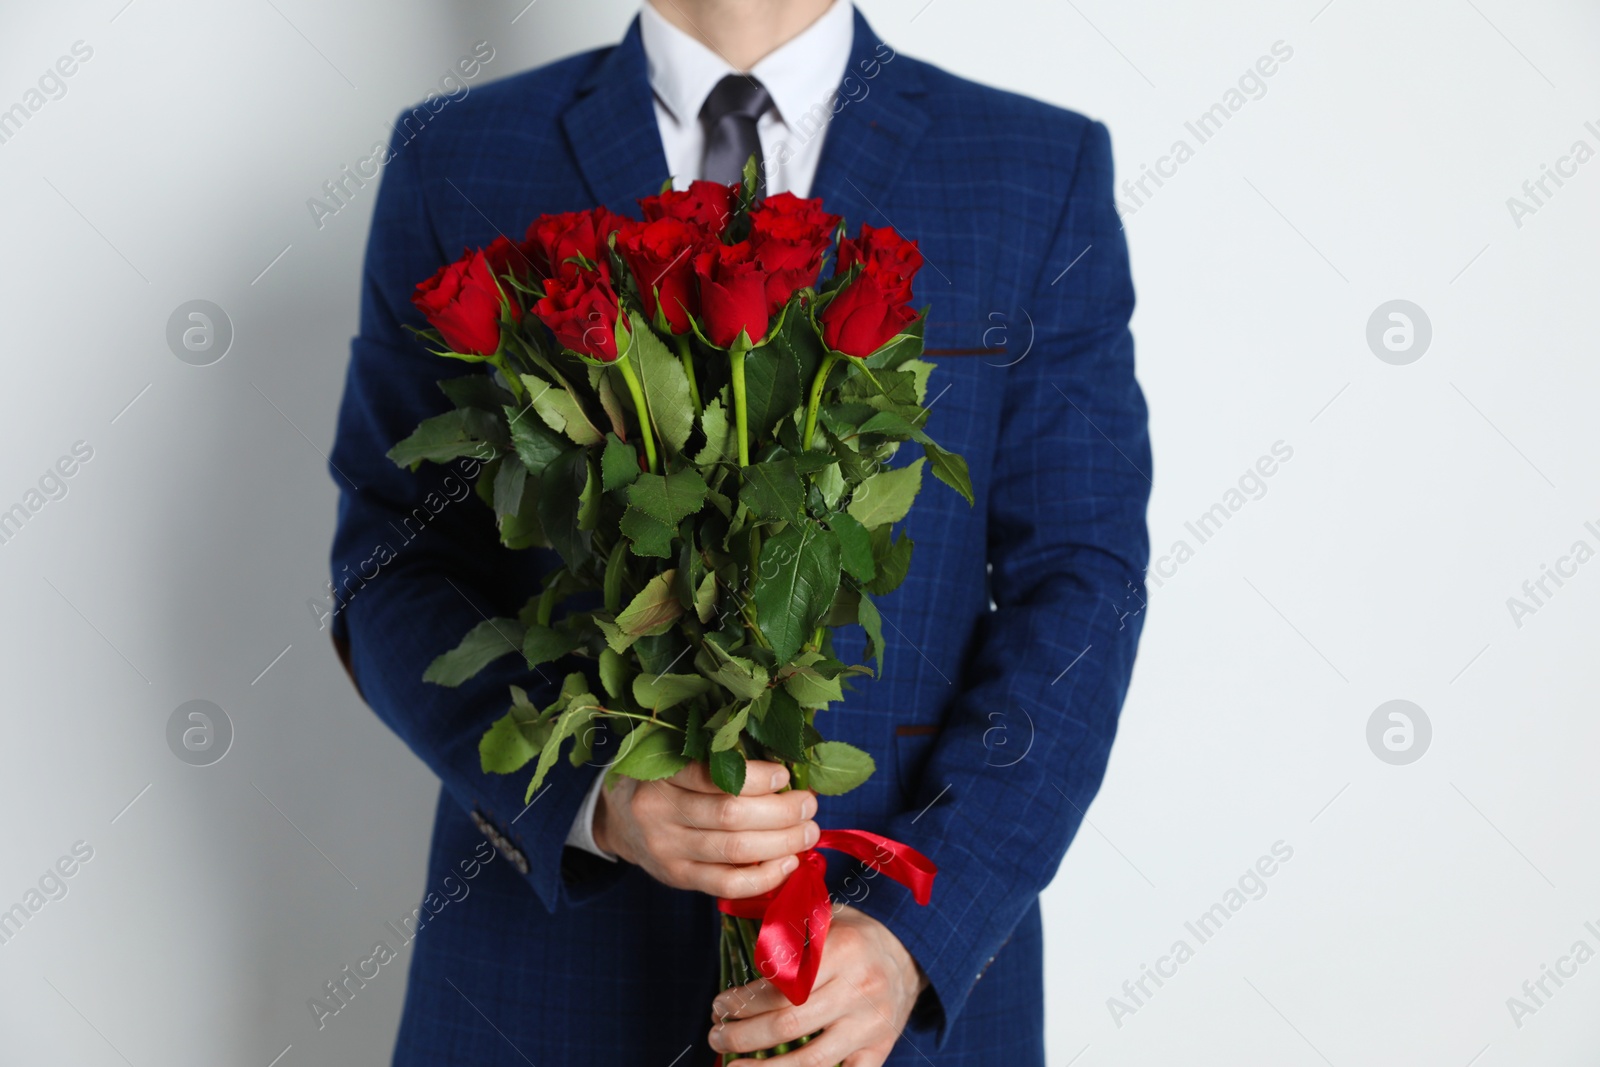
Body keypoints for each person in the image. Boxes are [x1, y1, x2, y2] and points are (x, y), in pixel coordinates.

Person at [327, 1, 1150, 1063]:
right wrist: (597, 800)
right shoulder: (457, 154)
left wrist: (913, 937)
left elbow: (1080, 583)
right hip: (542, 987)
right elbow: (393, 557)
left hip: (882, 992)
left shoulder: (1035, 168)